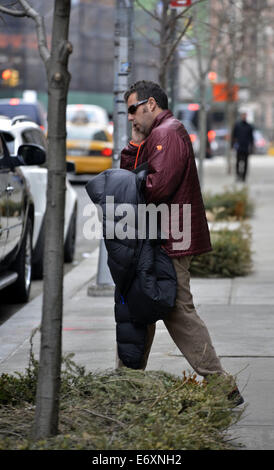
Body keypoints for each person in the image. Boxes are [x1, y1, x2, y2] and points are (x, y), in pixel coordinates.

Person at [119, 80, 244, 406]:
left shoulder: (167, 133)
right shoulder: (156, 136)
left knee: (176, 312)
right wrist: (134, 147)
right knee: (141, 312)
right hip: (159, 241)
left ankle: (221, 385)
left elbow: (154, 188)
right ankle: (126, 387)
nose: (130, 117)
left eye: (133, 109)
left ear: (150, 104)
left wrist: (135, 176)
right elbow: (129, 179)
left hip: (169, 243)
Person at [232, 112, 254, 182]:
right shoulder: (237, 125)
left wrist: (252, 147)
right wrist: (233, 145)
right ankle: (238, 175)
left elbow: (251, 138)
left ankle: (244, 177)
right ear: (241, 116)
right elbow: (234, 136)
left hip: (246, 147)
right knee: (238, 162)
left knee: (246, 163)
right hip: (239, 147)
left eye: (245, 115)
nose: (244, 117)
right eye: (243, 115)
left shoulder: (249, 126)